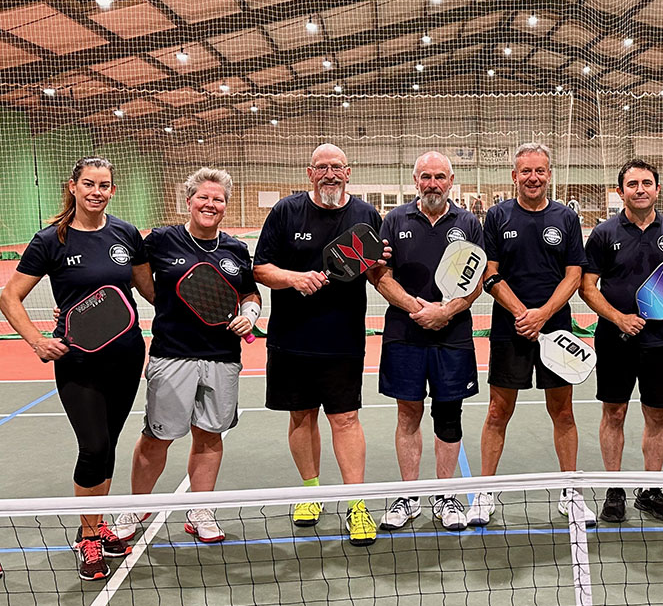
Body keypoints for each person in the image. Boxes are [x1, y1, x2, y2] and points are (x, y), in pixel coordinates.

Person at [0, 157, 152, 581]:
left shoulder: (125, 234)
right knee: (95, 447)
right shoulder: (51, 240)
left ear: (112, 191)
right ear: (73, 187)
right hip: (77, 360)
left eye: (104, 185)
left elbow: (150, 291)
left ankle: (98, 524)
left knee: (109, 447)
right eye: (89, 184)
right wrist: (36, 340)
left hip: (125, 355)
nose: (96, 192)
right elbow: (10, 296)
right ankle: (87, 537)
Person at [110, 169, 260, 545]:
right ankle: (135, 505)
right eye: (203, 198)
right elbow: (138, 277)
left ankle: (201, 509)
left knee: (210, 435)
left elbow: (250, 294)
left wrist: (249, 317)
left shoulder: (235, 249)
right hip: (172, 355)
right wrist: (160, 302)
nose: (211, 205)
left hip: (222, 356)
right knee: (157, 437)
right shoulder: (162, 239)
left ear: (226, 205)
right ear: (188, 201)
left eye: (218, 199)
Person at [253, 143, 386, 546]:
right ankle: (311, 491)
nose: (330, 174)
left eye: (337, 167)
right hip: (291, 338)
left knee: (345, 419)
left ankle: (356, 505)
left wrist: (378, 260)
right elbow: (260, 267)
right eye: (322, 167)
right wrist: (294, 278)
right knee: (300, 417)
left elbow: (377, 269)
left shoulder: (365, 215)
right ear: (310, 173)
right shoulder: (286, 212)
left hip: (342, 338)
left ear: (349, 172)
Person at [469, 144, 592, 527]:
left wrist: (543, 314)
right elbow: (489, 273)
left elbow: (574, 275)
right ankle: (484, 492)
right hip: (511, 328)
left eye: (540, 171)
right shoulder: (497, 216)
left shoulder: (566, 218)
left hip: (555, 327)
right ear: (514, 176)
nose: (533, 177)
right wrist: (523, 314)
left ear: (549, 174)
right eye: (526, 171)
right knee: (497, 412)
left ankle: (570, 492)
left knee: (563, 412)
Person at [581, 158, 663, 523]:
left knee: (657, 414)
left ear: (657, 188)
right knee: (613, 412)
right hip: (614, 339)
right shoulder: (603, 233)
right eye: (632, 184)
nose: (640, 189)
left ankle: (651, 489)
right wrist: (618, 318)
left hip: (662, 342)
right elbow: (588, 287)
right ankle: (614, 489)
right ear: (621, 192)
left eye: (647, 183)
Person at [374, 151, 485, 533]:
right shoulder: (394, 219)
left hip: (452, 335)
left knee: (449, 414)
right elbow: (380, 275)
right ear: (415, 180)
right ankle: (409, 495)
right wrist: (416, 308)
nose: (432, 183)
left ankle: (445, 494)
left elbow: (477, 281)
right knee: (408, 413)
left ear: (451, 181)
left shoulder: (469, 222)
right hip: (405, 333)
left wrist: (446, 311)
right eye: (425, 177)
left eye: (440, 177)